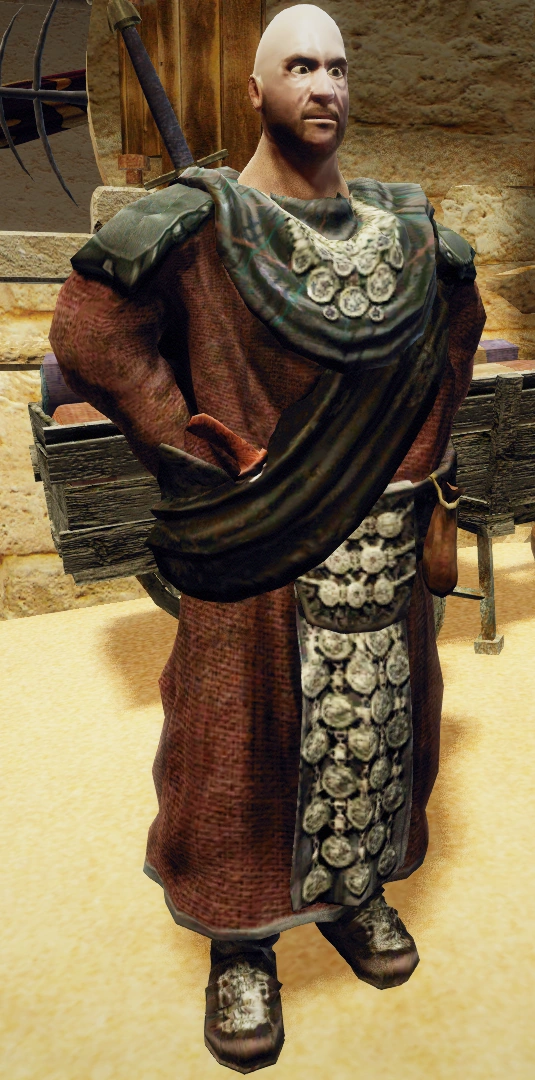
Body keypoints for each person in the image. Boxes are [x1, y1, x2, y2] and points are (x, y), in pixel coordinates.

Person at [49, 4, 486, 1073]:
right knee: (234, 746)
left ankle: (351, 892)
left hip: (379, 544)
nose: (323, 85)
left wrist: (415, 465)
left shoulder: (410, 235)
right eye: (298, 66)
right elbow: (91, 334)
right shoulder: (197, 226)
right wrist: (193, 448)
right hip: (254, 542)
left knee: (381, 729)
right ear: (255, 90)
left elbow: (455, 329)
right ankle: (240, 943)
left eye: (336, 67)